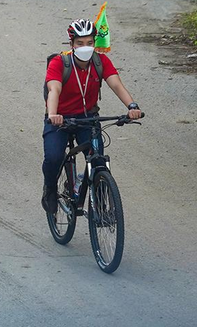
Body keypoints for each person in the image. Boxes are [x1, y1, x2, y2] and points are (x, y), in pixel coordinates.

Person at [41, 18, 144, 215]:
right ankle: (50, 190)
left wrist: (132, 106)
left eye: (89, 42)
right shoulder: (59, 62)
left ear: (95, 43)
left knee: (98, 160)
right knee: (53, 157)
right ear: (71, 44)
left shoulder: (100, 61)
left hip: (88, 118)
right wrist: (53, 114)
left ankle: (102, 203)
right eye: (80, 43)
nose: (85, 47)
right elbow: (54, 89)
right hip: (60, 119)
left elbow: (116, 84)